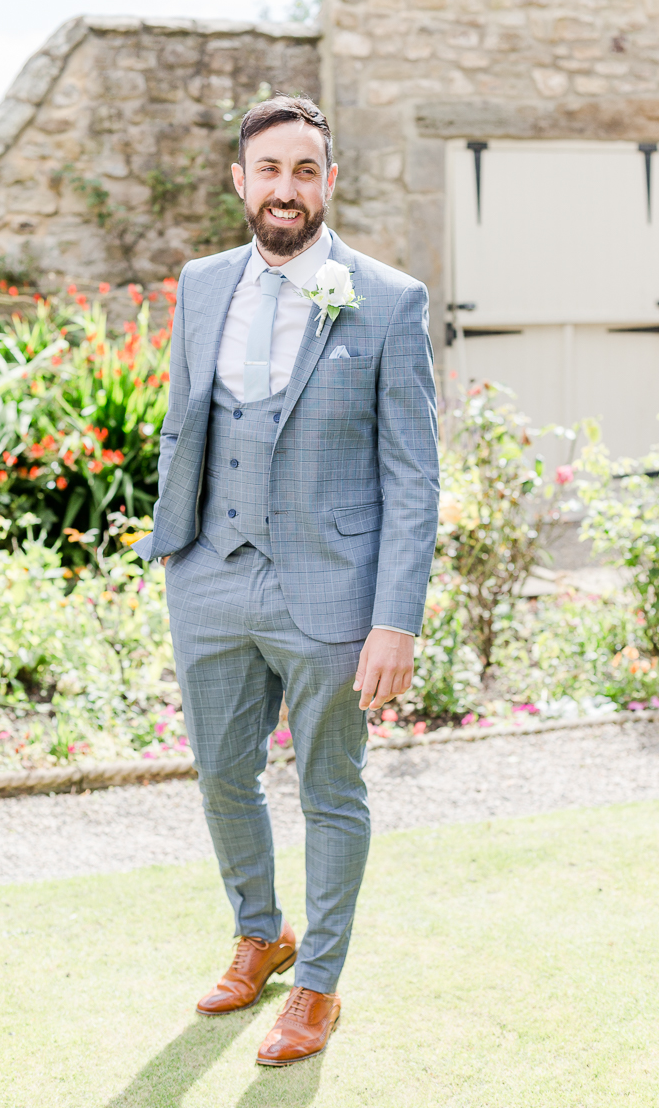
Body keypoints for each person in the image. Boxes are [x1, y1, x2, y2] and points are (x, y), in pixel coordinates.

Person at [134, 94, 438, 1065]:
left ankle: (315, 987)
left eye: (304, 170)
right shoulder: (201, 282)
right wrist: (173, 550)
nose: (285, 188)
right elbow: (188, 422)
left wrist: (395, 619)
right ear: (240, 180)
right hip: (210, 579)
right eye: (269, 169)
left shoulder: (385, 299)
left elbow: (411, 474)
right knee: (223, 778)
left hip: (329, 589)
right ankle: (260, 935)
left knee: (328, 789)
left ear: (328, 183)